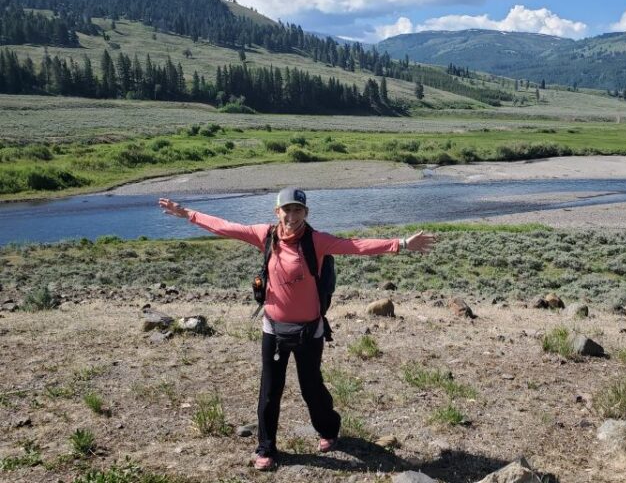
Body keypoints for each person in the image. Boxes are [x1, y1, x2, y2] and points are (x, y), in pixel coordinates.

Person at [158, 188, 434, 470]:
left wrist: (401, 243)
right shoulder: (265, 235)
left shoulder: (317, 241)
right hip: (273, 330)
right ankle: (266, 447)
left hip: (309, 331)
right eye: (287, 210)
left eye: (298, 210)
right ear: (277, 212)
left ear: (306, 212)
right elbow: (226, 227)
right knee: (270, 391)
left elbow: (357, 245)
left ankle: (328, 430)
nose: (292, 215)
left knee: (312, 388)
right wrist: (187, 214)